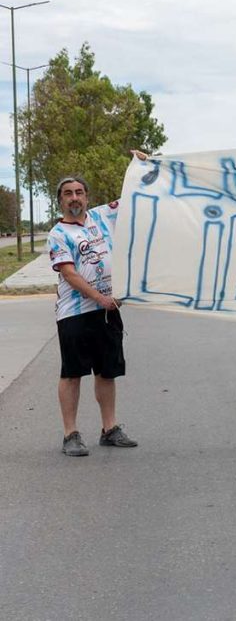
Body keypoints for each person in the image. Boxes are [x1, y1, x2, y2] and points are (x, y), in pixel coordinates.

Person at [48, 165, 142, 456]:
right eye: (67, 194)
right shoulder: (58, 233)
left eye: (79, 192)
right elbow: (69, 273)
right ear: (60, 201)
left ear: (87, 197)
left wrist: (142, 164)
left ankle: (109, 428)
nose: (74, 197)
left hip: (108, 311)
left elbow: (136, 196)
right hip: (75, 313)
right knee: (72, 373)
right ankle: (71, 434)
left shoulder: (103, 215)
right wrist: (100, 298)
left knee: (107, 371)